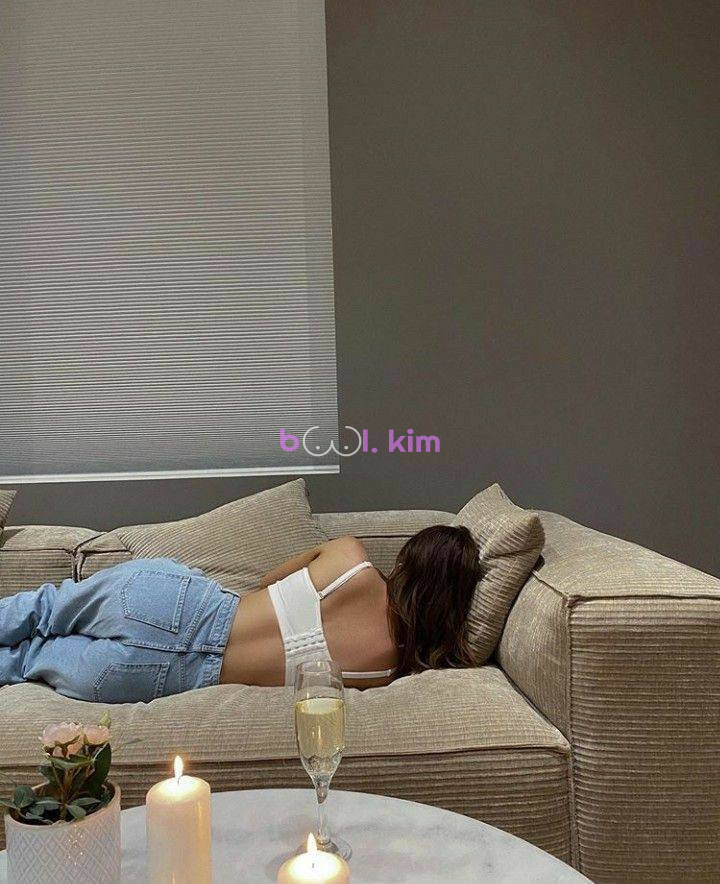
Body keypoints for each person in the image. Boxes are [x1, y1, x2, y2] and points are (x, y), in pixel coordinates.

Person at [0, 526, 480, 703]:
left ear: (406, 560)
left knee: (44, 608)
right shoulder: (386, 670)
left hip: (184, 606)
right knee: (24, 662)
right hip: (164, 677)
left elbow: (267, 581)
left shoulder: (349, 557)